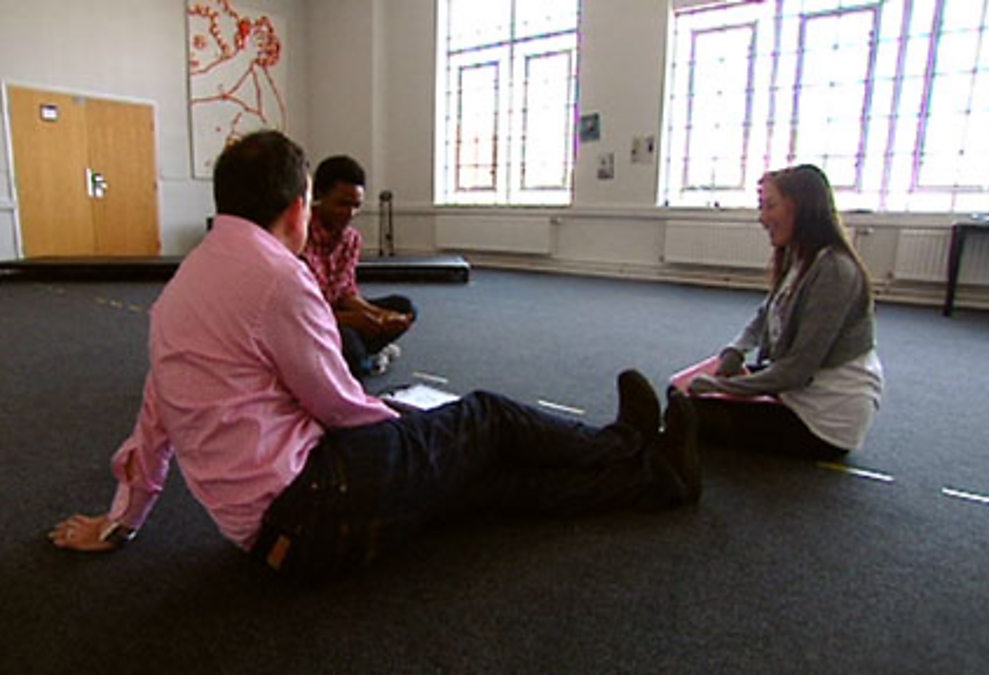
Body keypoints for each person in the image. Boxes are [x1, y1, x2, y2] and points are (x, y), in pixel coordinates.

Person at [49, 130, 701, 586]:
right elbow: (337, 404)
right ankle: (623, 441)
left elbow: (154, 422)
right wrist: (417, 429)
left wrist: (121, 522)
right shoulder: (276, 276)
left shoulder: (182, 288)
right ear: (298, 205)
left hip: (269, 539)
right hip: (315, 505)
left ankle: (655, 479)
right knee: (486, 419)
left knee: (480, 482)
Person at [681, 164, 884, 460]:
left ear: (801, 208)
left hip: (823, 419)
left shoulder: (834, 271)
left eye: (770, 206)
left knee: (689, 411)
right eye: (761, 206)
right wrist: (736, 350)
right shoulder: (799, 256)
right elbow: (765, 314)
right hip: (801, 389)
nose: (762, 218)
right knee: (686, 398)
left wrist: (722, 386)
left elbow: (797, 370)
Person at [302, 155, 415, 377]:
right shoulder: (300, 236)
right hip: (310, 321)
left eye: (356, 206)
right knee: (355, 357)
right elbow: (299, 312)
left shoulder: (351, 238)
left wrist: (379, 315)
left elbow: (345, 292)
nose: (350, 213)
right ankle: (366, 356)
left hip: (337, 311)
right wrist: (352, 320)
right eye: (342, 204)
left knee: (404, 308)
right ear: (319, 196)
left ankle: (363, 352)